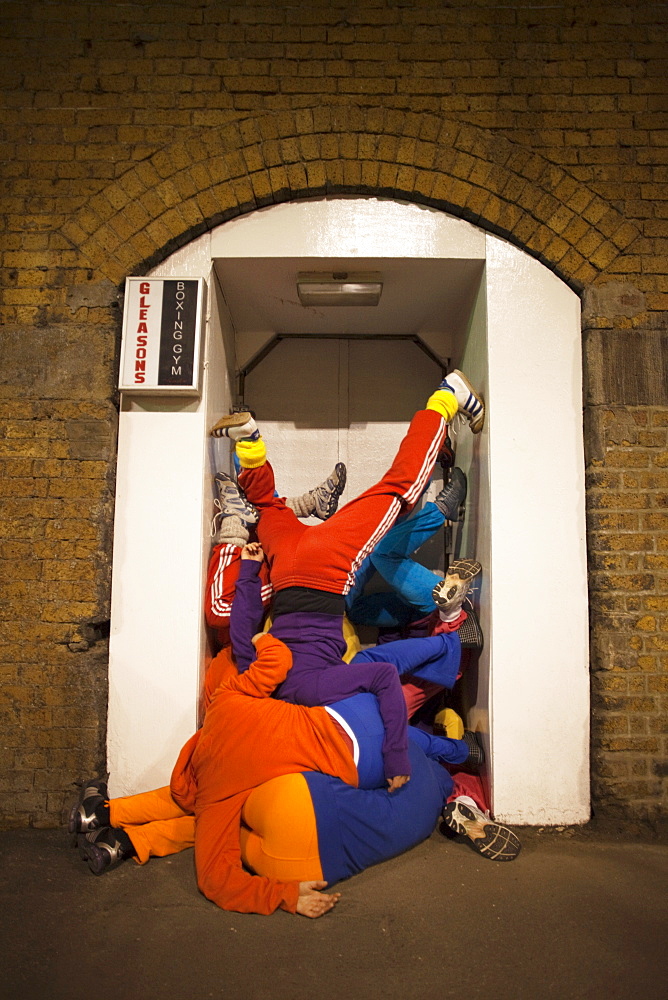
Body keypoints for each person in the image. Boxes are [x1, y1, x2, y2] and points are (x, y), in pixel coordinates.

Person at [69, 632, 520, 919]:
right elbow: (278, 659)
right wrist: (262, 638)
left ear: (190, 782)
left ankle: (456, 758)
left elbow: (215, 880)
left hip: (353, 782)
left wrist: (285, 897)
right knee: (370, 663)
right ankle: (451, 647)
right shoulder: (225, 703)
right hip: (357, 726)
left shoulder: (217, 798)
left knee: (417, 756)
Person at [211, 369, 486, 787]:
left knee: (401, 488)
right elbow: (243, 626)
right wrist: (251, 568)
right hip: (286, 564)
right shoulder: (259, 686)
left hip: (326, 567)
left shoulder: (316, 693)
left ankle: (449, 397)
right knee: (265, 504)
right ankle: (249, 441)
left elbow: (381, 678)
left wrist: (395, 759)